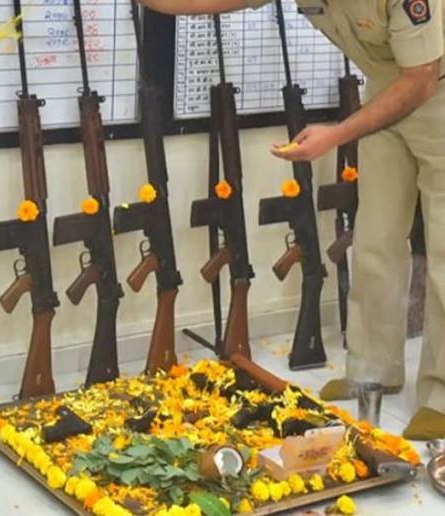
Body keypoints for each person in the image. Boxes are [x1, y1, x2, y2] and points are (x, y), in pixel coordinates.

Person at [138, 0, 445, 440]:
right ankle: (372, 372)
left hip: (433, 90)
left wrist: (336, 135)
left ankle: (441, 396)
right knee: (374, 239)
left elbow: (421, 79)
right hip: (386, 93)